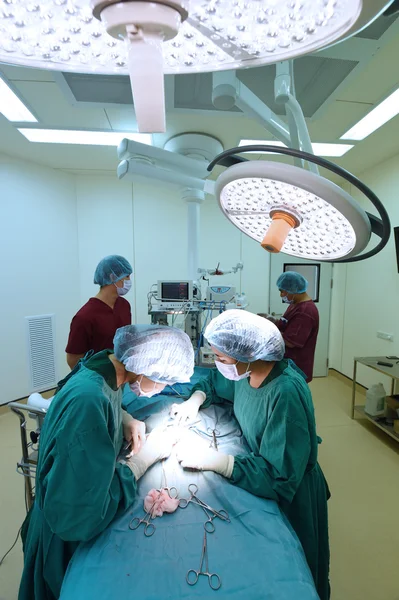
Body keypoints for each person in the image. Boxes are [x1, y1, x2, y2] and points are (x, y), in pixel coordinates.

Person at [19, 324, 194, 600]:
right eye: (164, 380)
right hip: (63, 536)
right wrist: (140, 463)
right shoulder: (89, 401)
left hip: (64, 503)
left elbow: (90, 397)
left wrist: (123, 417)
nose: (163, 387)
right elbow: (80, 515)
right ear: (143, 365)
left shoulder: (104, 366)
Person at [171, 310, 330, 600]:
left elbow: (279, 474)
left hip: (293, 490)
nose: (217, 363)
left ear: (246, 354)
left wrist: (219, 461)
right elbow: (214, 383)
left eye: (221, 357)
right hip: (268, 463)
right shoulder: (246, 372)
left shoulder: (285, 392)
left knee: (297, 564)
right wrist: (195, 400)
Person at [66, 255, 133, 370]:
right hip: (97, 377)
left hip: (120, 373)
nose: (129, 281)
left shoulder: (124, 305)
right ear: (113, 277)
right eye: (127, 276)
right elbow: (73, 359)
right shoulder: (85, 316)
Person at [271, 271, 319, 383]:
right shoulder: (295, 305)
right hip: (287, 363)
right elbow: (286, 324)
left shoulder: (305, 312)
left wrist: (269, 331)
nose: (281, 295)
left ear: (293, 289)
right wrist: (272, 321)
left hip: (296, 366)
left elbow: (291, 342)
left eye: (282, 291)